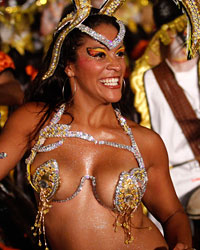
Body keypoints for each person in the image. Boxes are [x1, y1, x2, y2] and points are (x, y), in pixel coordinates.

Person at [0, 1, 194, 250]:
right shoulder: (36, 121)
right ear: (69, 66)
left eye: (120, 53)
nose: (115, 65)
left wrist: (183, 244)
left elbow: (172, 214)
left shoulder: (145, 142)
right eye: (100, 55)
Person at [130, 0, 200, 245]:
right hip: (173, 176)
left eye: (185, 31)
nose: (182, 39)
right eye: (174, 33)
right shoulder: (146, 78)